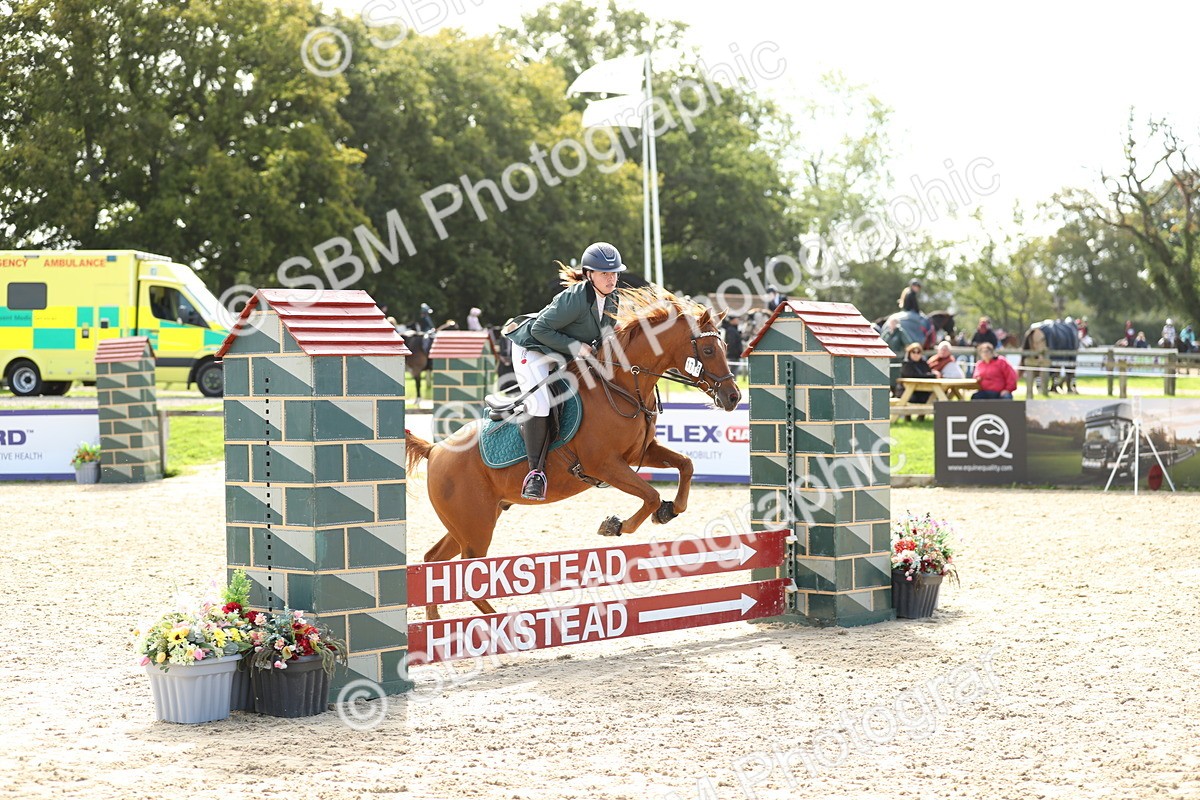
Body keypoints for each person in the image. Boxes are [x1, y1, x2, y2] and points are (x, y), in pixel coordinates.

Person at [504, 241, 624, 501]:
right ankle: (535, 474)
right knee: (541, 403)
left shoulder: (613, 299)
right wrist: (577, 347)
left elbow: (606, 337)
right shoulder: (576, 297)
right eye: (605, 273)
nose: (611, 278)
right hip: (533, 349)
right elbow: (539, 331)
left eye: (614, 272)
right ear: (589, 274)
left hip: (563, 352)